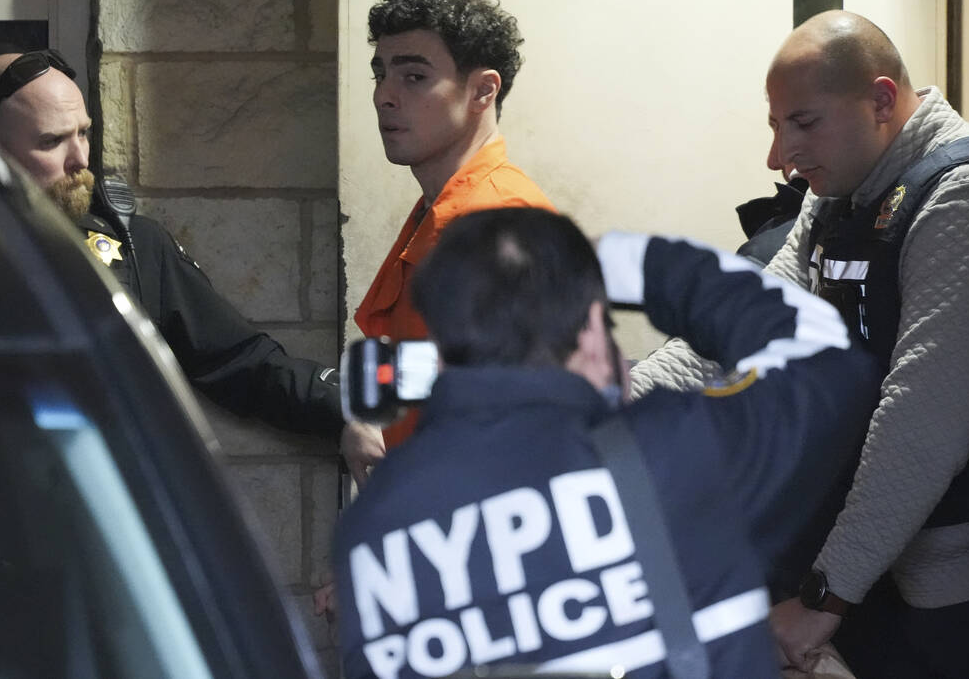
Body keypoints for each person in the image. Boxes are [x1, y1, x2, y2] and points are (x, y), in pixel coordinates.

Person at [332, 206, 880, 678]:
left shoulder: (377, 532)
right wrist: (632, 265)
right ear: (592, 337)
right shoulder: (683, 456)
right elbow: (830, 364)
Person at [633, 11, 969, 678]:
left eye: (803, 123)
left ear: (882, 101)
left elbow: (923, 423)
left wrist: (824, 596)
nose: (779, 156)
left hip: (945, 585)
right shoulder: (839, 192)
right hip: (859, 562)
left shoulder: (966, 194)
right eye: (776, 126)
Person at [0, 49, 377, 476]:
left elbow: (238, 361)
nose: (81, 160)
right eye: (51, 141)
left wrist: (341, 410)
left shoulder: (129, 245)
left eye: (83, 134)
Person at [353, 0, 555, 450]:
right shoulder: (446, 209)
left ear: (483, 90)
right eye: (380, 74)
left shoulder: (496, 222)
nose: (384, 95)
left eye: (414, 77)